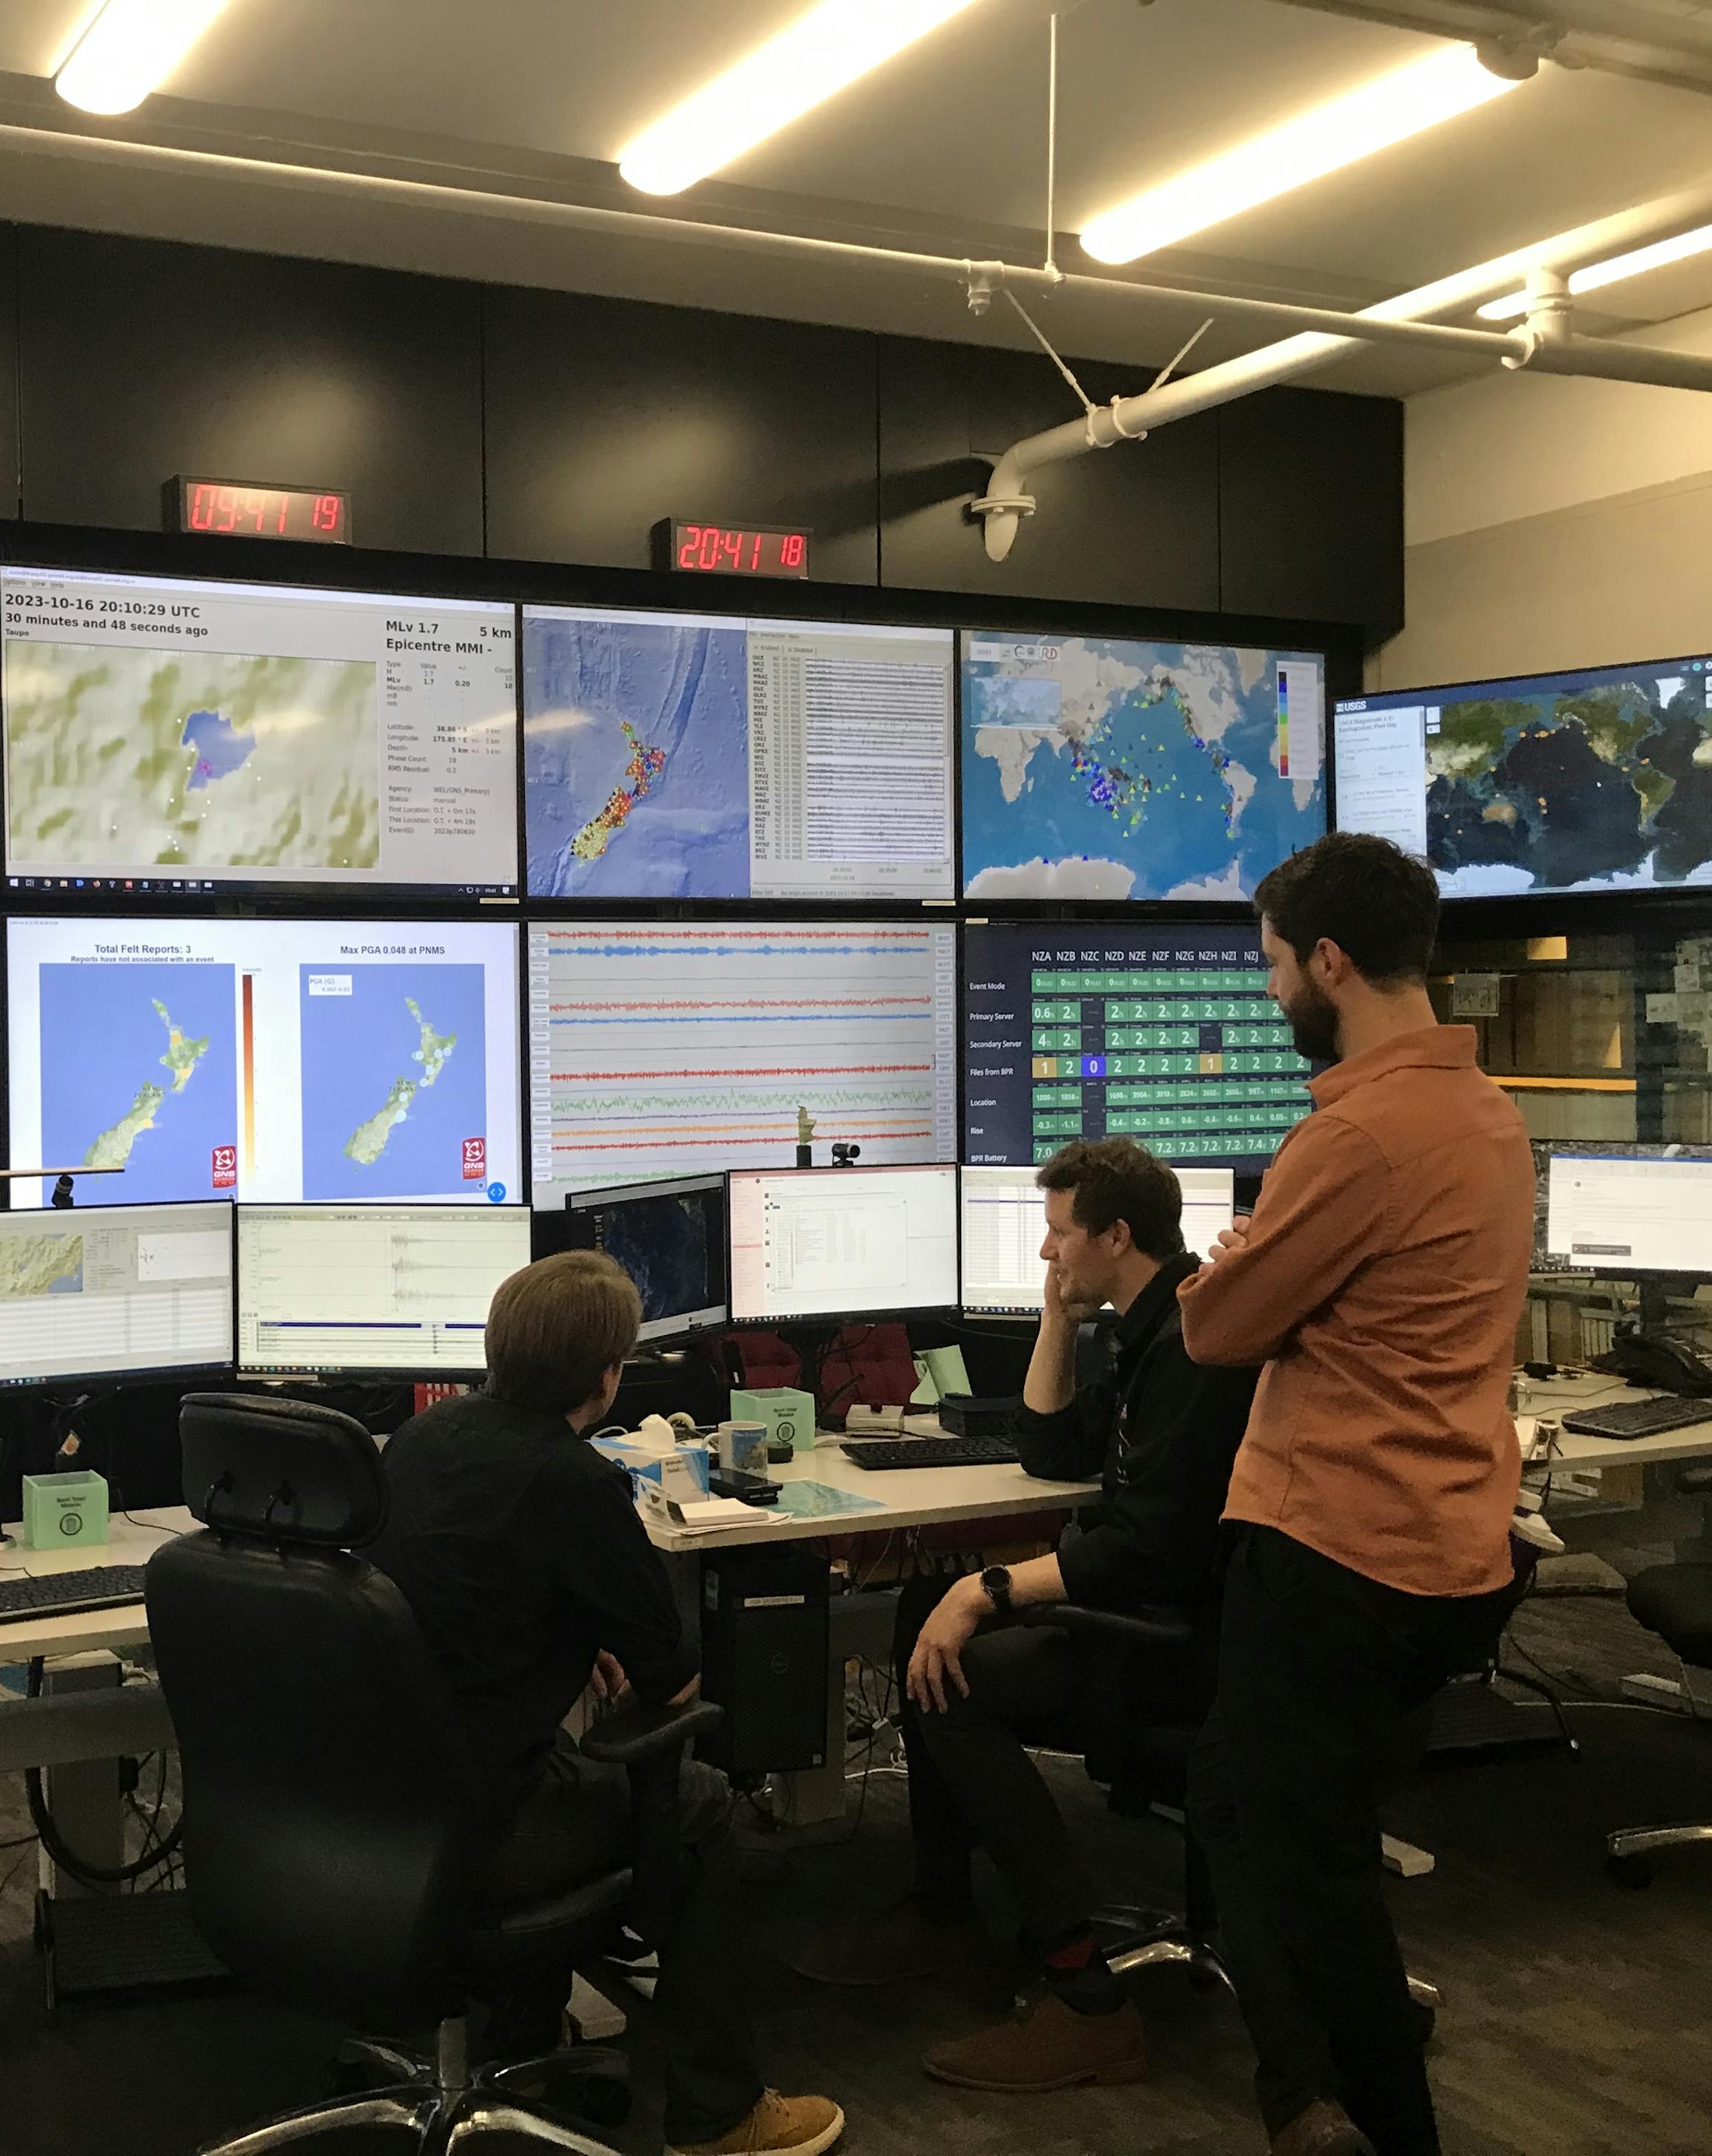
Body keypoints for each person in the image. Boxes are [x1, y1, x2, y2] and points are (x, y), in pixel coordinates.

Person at [1178, 832, 1534, 2156]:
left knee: (1314, 1878)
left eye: (1275, 967)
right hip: (1447, 1546)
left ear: (1329, 962)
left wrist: (1235, 1276)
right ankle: (1304, 2102)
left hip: (1338, 1548)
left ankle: (1385, 2127)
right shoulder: (1487, 1115)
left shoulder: (1361, 1133)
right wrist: (1267, 1278)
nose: (1274, 996)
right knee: (1241, 1800)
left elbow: (1217, 1331)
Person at [792, 1139, 1258, 2100]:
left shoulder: (1196, 1348)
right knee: (925, 1608)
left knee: (953, 1673)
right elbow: (1049, 1448)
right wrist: (1057, 1319)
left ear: (1116, 1236)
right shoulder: (1148, 1325)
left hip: (1184, 1647)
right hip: (1151, 1611)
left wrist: (990, 1590)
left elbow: (1151, 1549)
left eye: (1057, 1238)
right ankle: (941, 1901)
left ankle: (1081, 1990)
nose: (1046, 1256)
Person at [370, 1250, 845, 2156]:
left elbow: (457, 1587)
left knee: (542, 1753)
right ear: (608, 1377)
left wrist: (568, 1630)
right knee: (698, 1801)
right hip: (484, 1827)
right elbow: (668, 1673)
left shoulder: (422, 1441)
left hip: (376, 1803)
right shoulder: (573, 1478)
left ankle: (522, 2039)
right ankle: (720, 2112)